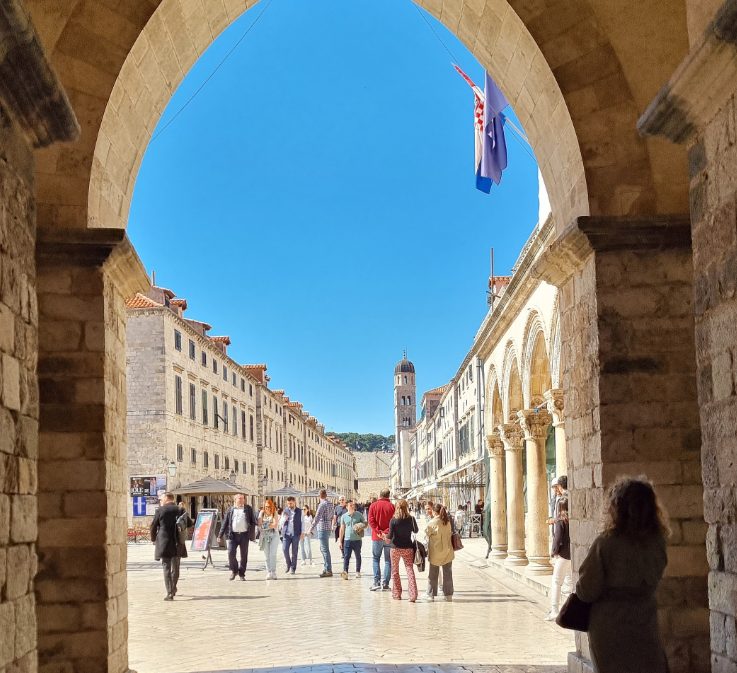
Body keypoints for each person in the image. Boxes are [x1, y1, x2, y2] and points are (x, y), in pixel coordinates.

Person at [575, 477, 669, 673]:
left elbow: (586, 590)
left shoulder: (606, 543)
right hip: (645, 620)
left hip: (611, 623)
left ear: (616, 507)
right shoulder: (658, 541)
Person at [149, 492, 182, 600]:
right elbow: (189, 523)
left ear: (167, 499)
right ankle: (173, 587)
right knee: (176, 567)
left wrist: (153, 539)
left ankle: (169, 592)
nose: (160, 501)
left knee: (166, 567)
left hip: (164, 542)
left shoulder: (160, 510)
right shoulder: (180, 509)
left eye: (161, 499)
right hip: (177, 541)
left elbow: (153, 526)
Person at [218, 492, 258, 581]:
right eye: (239, 499)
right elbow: (225, 523)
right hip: (233, 535)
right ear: (235, 500)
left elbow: (253, 522)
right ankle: (234, 570)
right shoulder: (230, 510)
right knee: (231, 553)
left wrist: (252, 534)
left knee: (244, 555)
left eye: (243, 499)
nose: (241, 500)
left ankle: (242, 573)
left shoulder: (248, 509)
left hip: (244, 535)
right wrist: (220, 535)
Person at [386, 499, 419, 602]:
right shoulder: (411, 519)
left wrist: (384, 536)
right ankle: (413, 595)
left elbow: (390, 536)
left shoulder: (393, 520)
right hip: (408, 548)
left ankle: (397, 594)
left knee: (395, 571)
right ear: (406, 507)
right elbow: (416, 530)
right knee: (410, 570)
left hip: (395, 548)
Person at [546, 496, 572, 620]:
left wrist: (553, 552)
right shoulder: (572, 520)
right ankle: (567, 610)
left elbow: (557, 538)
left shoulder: (560, 521)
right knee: (568, 582)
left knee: (556, 582)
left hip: (562, 555)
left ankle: (555, 610)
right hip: (571, 554)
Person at [424, 503, 454, 601]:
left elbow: (426, 534)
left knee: (433, 574)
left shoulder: (432, 522)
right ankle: (448, 595)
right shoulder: (447, 521)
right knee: (447, 574)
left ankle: (431, 595)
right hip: (448, 551)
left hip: (436, 552)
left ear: (434, 511)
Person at [368, 488, 395, 591]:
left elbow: (371, 521)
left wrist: (379, 532)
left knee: (376, 558)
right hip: (389, 537)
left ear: (380, 495)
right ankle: (386, 584)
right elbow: (394, 521)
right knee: (388, 560)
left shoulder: (373, 505)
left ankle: (376, 582)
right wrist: (386, 533)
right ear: (389, 495)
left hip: (377, 537)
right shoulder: (392, 506)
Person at [339, 499, 366, 579]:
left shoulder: (359, 514)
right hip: (347, 540)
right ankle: (345, 572)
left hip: (357, 540)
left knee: (358, 556)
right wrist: (340, 541)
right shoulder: (344, 516)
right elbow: (342, 529)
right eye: (350, 505)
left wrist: (360, 525)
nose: (352, 506)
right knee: (346, 557)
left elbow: (365, 524)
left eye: (353, 505)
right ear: (347, 507)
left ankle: (358, 571)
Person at [312, 489, 335, 577]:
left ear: (319, 496)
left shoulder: (322, 504)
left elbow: (317, 518)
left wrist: (311, 528)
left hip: (322, 528)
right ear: (326, 495)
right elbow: (333, 515)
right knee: (324, 549)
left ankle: (328, 570)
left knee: (325, 550)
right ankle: (326, 568)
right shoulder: (330, 504)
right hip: (328, 528)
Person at [258, 498, 280, 580]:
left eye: (269, 506)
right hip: (264, 536)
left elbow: (274, 524)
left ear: (272, 506)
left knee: (272, 554)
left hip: (274, 535)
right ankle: (268, 572)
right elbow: (259, 523)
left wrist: (265, 525)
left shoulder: (274, 512)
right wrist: (267, 524)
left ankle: (273, 572)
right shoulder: (262, 512)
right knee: (266, 555)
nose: (267, 508)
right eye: (266, 506)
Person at [281, 496, 303, 575]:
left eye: (290, 503)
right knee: (284, 549)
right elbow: (281, 522)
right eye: (288, 503)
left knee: (294, 552)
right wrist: (284, 519)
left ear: (294, 502)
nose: (289, 505)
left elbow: (302, 522)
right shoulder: (285, 510)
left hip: (296, 534)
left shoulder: (300, 511)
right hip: (286, 534)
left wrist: (302, 533)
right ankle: (288, 564)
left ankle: (293, 568)